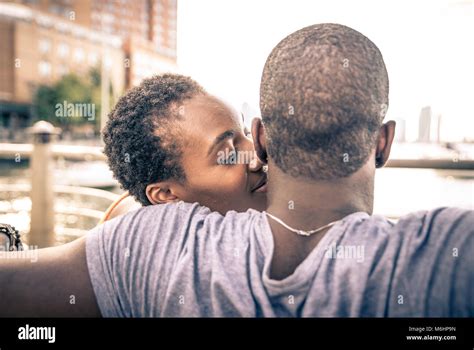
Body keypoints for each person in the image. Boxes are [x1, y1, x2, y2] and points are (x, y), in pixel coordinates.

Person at [0, 23, 472, 317]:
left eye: (246, 139)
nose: (254, 157)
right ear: (383, 143)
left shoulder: (144, 247)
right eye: (227, 149)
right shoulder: (442, 254)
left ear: (262, 134)